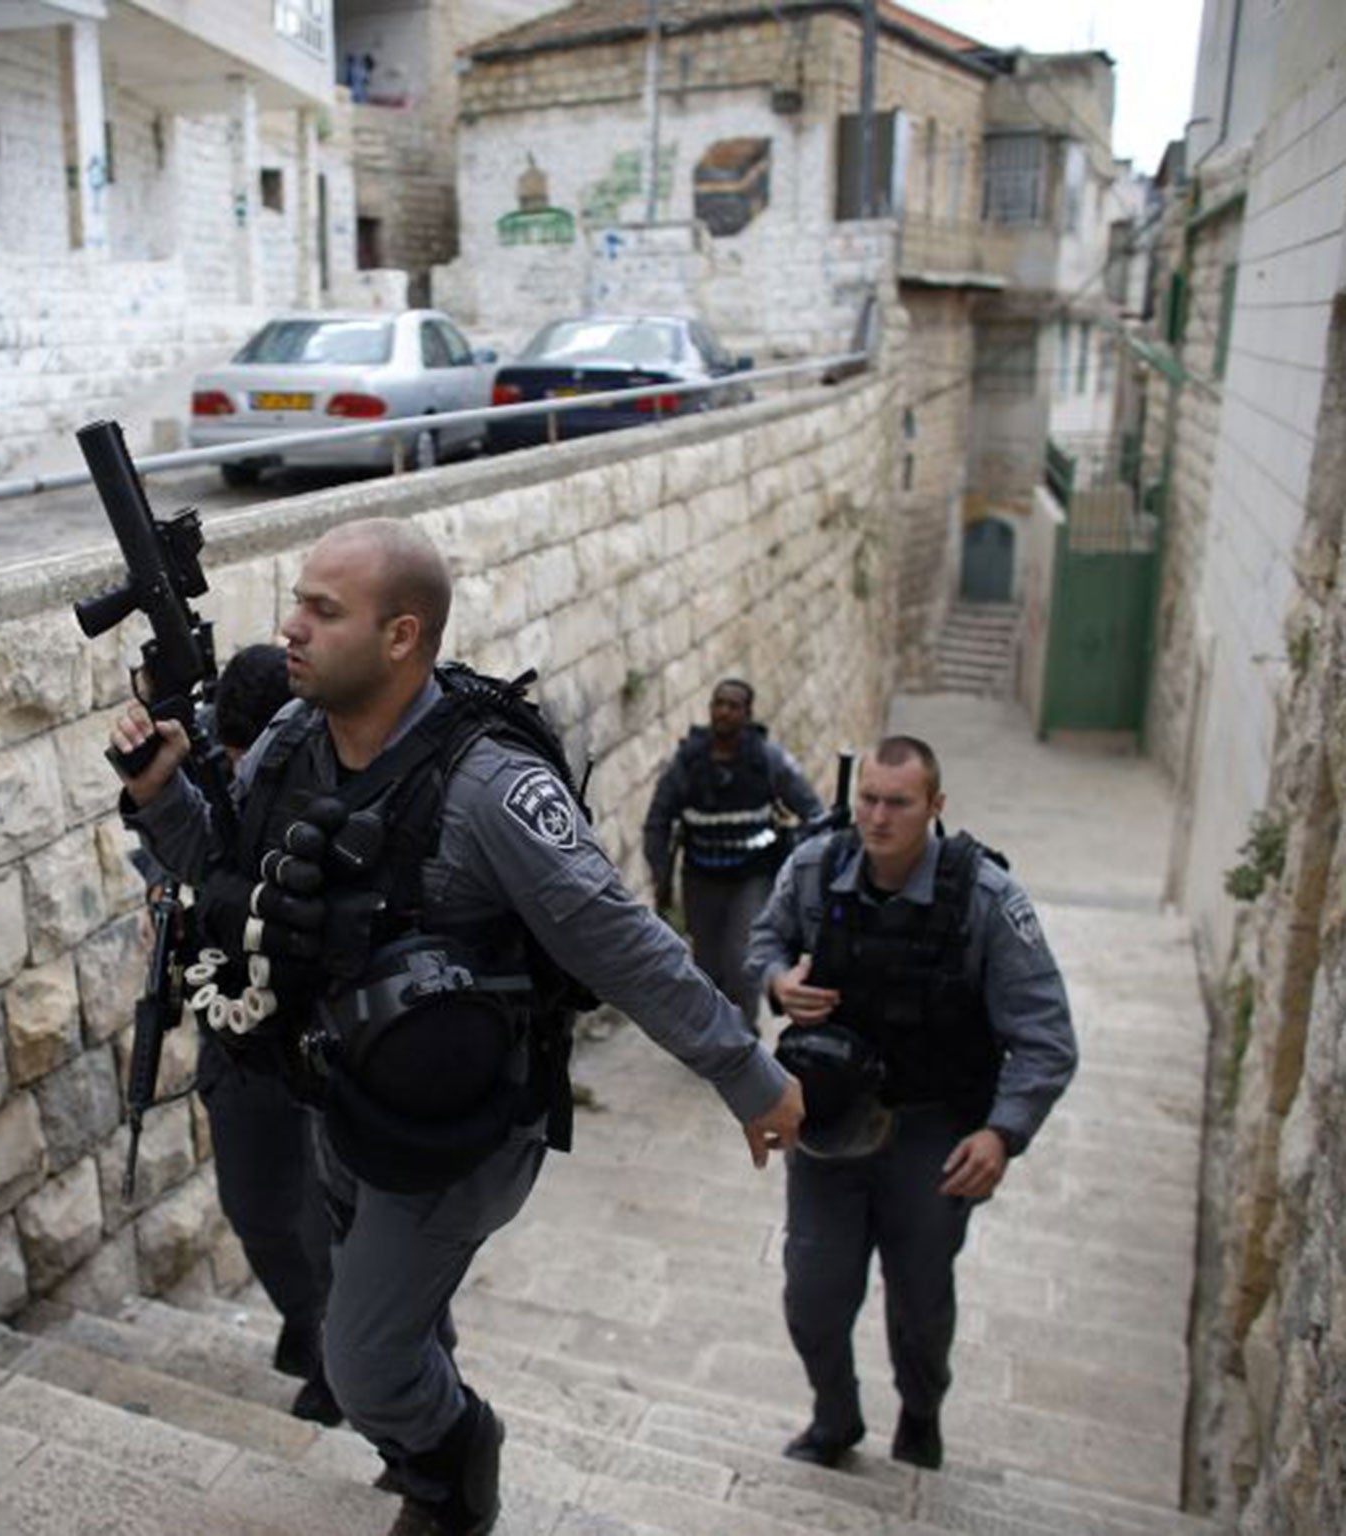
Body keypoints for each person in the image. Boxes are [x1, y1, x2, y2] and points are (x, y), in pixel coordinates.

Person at [109, 518, 804, 1534]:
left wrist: (747, 1075)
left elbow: (620, 940)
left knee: (361, 1359)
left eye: (321, 610)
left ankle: (454, 1466)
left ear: (400, 637)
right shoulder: (296, 743)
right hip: (343, 1091)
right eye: (296, 602)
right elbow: (219, 876)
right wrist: (160, 791)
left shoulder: (489, 790)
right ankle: (417, 1430)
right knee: (386, 1305)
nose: (288, 628)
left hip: (458, 1124)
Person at [745, 736, 1077, 1472]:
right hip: (830, 1128)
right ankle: (834, 1419)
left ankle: (921, 1415)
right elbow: (762, 941)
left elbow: (1048, 1038)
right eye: (868, 798)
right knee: (813, 1293)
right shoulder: (815, 869)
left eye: (899, 802)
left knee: (921, 1306)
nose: (879, 817)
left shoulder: (985, 898)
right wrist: (776, 982)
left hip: (932, 1135)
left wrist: (1002, 1134)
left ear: (935, 806)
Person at [189, 643, 338, 1425]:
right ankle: (314, 1329)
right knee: (256, 1206)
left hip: (325, 1033)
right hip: (239, 1029)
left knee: (345, 1215)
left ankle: (370, 1366)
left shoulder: (332, 777)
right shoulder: (214, 778)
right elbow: (173, 854)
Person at [643, 678, 823, 1031]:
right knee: (708, 967)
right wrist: (660, 873)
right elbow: (657, 821)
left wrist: (800, 861)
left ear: (748, 713)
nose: (723, 711)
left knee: (742, 960)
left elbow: (813, 811)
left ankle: (744, 1035)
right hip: (700, 877)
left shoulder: (768, 760)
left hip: (752, 877)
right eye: (718, 703)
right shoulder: (687, 761)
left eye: (732, 705)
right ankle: (716, 1036)